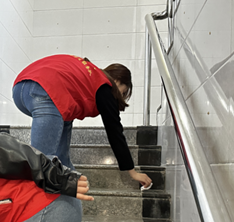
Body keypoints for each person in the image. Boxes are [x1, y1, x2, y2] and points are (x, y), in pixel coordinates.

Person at [13, 54, 152, 189]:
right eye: (123, 92)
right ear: (117, 81)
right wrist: (132, 172)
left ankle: (66, 205)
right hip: (44, 91)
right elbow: (114, 130)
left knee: (63, 166)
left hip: (21, 88)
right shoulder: (105, 85)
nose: (119, 96)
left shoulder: (89, 77)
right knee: (42, 166)